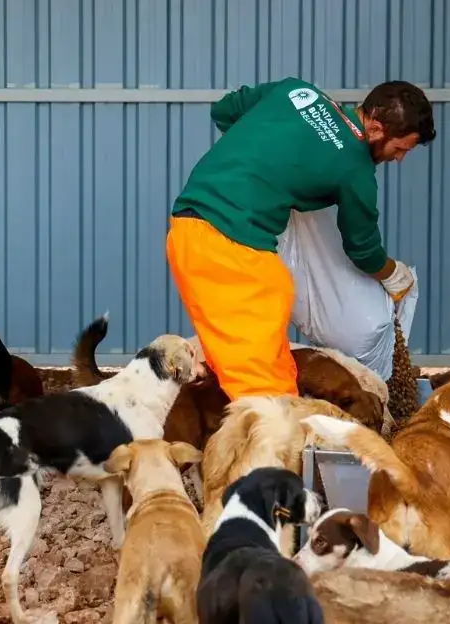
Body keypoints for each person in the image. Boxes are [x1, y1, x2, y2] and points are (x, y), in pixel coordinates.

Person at [166, 77, 435, 402]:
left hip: (202, 232)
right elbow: (362, 248)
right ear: (376, 128)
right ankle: (271, 447)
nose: (399, 158)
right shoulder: (355, 169)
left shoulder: (297, 92)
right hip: (229, 248)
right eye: (400, 148)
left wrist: (266, 156)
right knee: (263, 391)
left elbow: (225, 109)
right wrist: (392, 273)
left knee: (275, 366)